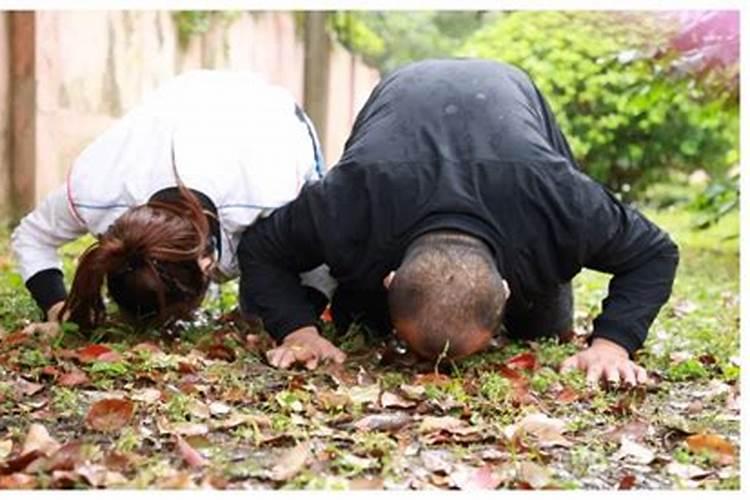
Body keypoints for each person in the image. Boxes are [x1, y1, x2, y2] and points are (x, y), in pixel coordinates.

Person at [237, 59, 679, 384]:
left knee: (543, 329)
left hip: (510, 115)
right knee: (361, 323)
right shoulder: (351, 199)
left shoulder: (558, 201)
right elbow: (261, 248)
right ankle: (370, 307)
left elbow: (655, 252)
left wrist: (612, 343)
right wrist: (298, 331)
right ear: (388, 280)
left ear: (508, 290)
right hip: (401, 111)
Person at [11, 70, 334, 331]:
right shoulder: (98, 186)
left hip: (269, 114)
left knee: (262, 308)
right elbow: (33, 236)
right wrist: (57, 307)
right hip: (171, 109)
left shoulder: (273, 186)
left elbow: (323, 258)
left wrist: (296, 327)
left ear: (206, 264)